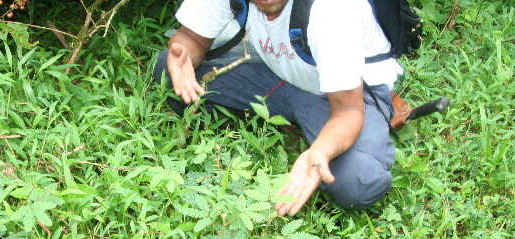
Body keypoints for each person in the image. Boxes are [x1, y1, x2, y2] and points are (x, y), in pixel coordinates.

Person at [152, 0, 403, 216]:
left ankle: (367, 128)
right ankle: (293, 115)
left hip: (345, 94)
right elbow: (191, 38)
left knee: (355, 183)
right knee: (168, 69)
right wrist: (183, 53)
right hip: (280, 72)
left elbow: (348, 112)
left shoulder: (331, 11)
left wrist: (321, 152)